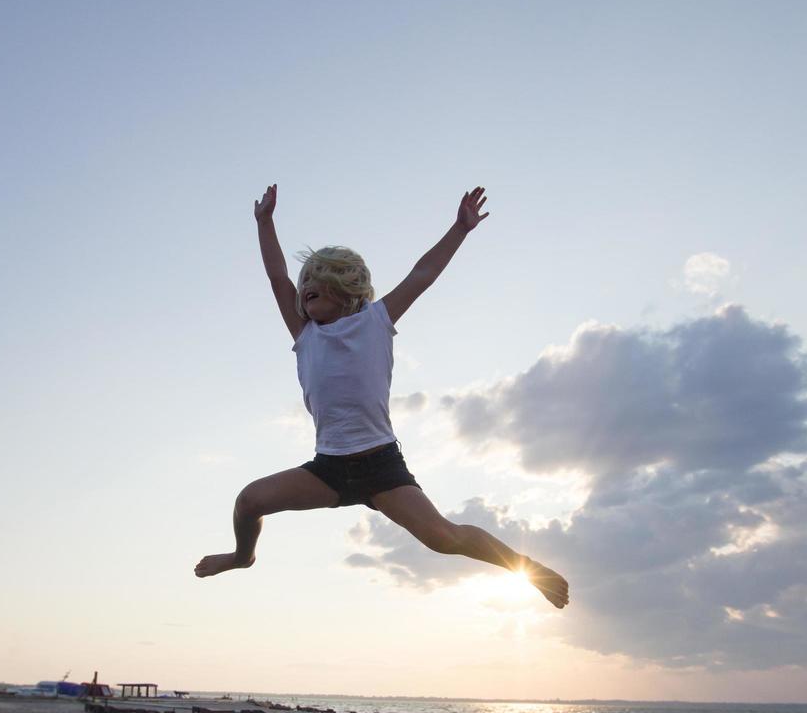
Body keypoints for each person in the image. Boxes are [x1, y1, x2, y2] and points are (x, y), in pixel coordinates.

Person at [194, 184, 569, 610]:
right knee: (249, 501)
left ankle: (527, 568)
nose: (305, 288)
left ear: (345, 288)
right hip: (329, 467)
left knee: (444, 538)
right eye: (305, 283)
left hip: (380, 464)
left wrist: (459, 230)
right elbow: (276, 275)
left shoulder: (376, 320)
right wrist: (265, 223)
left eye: (317, 280)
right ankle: (243, 557)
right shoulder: (304, 334)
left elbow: (421, 274)